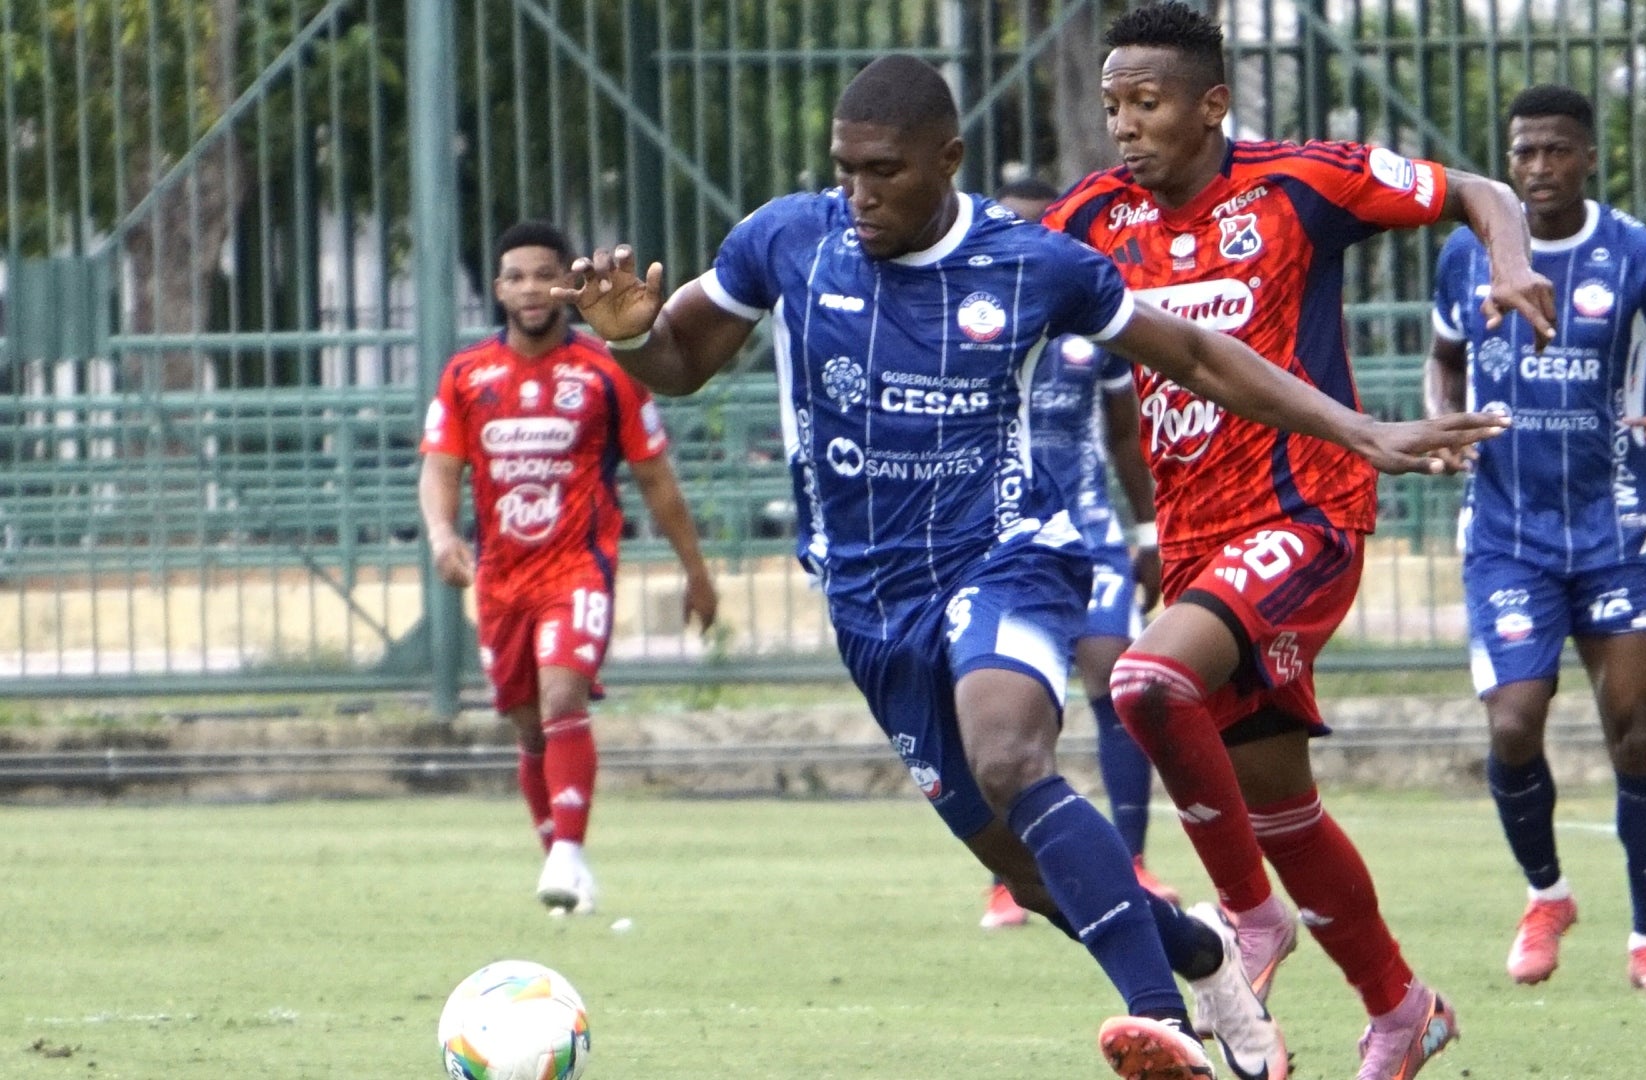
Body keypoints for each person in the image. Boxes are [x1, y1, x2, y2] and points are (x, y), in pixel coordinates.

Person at [554, 55, 1504, 1080]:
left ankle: (1164, 1022)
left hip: (1002, 558)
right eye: (846, 170)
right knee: (1026, 866)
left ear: (946, 161)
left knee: (1013, 757)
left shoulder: (1030, 263)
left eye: (885, 172)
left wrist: (1357, 430)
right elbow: (682, 364)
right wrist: (634, 337)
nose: (860, 195)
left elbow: (1192, 355)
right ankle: (1200, 956)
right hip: (869, 604)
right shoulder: (789, 239)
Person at [1044, 6, 1557, 1078]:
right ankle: (1401, 1007)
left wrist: (1506, 261)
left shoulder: (1299, 185)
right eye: (1111, 107)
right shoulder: (1092, 218)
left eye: (1147, 103)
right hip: (1196, 542)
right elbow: (992, 278)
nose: (1125, 127)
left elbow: (1478, 189)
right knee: (1279, 806)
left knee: (1143, 684)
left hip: (1308, 512)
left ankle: (1247, 920)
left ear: (1212, 105)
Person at [1424, 84, 1646, 993]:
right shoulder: (1467, 251)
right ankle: (1547, 894)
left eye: (1556, 151)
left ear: (1589, 157)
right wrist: (1441, 423)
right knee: (1516, 722)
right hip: (1505, 535)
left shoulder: (1639, 256)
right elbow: (1443, 359)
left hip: (1615, 534)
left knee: (1634, 733)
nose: (1537, 169)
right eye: (1523, 153)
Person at [418, 220, 718, 917]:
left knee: (561, 701)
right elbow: (439, 468)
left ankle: (569, 854)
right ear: (498, 288)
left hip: (577, 569)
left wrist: (696, 572)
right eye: (515, 275)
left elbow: (656, 481)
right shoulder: (467, 375)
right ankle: (564, 865)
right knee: (528, 728)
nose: (529, 289)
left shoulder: (609, 370)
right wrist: (440, 535)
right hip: (501, 579)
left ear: (568, 283)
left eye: (542, 274)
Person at [978, 177, 1178, 931]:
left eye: (1044, 229)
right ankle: (1014, 874)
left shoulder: (1092, 324)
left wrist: (1149, 533)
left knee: (1118, 675)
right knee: (1011, 704)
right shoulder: (975, 323)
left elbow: (1126, 437)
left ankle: (1129, 859)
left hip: (1088, 526)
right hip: (996, 530)